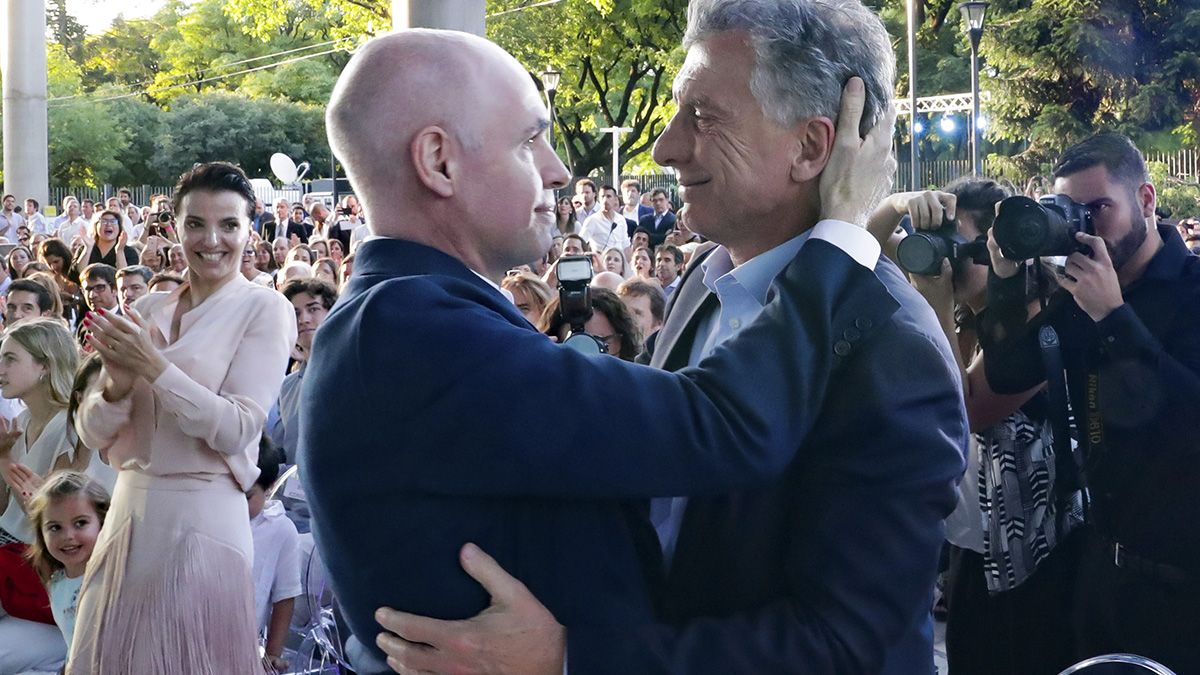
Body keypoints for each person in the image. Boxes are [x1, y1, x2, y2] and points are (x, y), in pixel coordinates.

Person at [305, 25, 957, 675]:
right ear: (439, 163)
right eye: (531, 141)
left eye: (701, 117)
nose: (665, 147)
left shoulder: (891, 347)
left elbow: (846, 646)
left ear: (813, 146)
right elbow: (719, 424)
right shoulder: (410, 329)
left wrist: (570, 657)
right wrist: (841, 237)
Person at [982, 132, 1200, 672]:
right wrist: (1006, 281)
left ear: (1146, 200)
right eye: (1069, 210)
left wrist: (1115, 318)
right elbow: (1008, 374)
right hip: (1102, 575)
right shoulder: (1080, 297)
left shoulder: (1191, 290)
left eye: (1099, 207)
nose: (1084, 225)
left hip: (1185, 593)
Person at [69, 161, 295, 672]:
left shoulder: (265, 309)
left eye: (229, 224)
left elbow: (239, 428)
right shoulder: (145, 310)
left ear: (250, 229)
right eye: (196, 223)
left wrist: (152, 366)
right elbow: (90, 431)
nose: (211, 239)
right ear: (175, 227)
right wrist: (119, 386)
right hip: (128, 514)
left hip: (205, 515)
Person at [23, 471, 111, 662]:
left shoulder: (111, 578)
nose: (68, 536)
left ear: (102, 523)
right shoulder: (57, 583)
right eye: (55, 527)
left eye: (80, 523)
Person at [248, 439, 301, 675]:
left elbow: (285, 597)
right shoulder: (212, 517)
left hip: (244, 643)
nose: (236, 504)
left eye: (248, 497)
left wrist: (273, 654)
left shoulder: (281, 530)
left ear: (269, 488)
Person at [540, 287, 642, 360]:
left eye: (602, 342)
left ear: (623, 342)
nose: (589, 354)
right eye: (577, 342)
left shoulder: (636, 386)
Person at [69, 211, 136, 286]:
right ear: (95, 226)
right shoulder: (83, 249)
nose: (108, 224)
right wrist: (88, 248)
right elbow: (77, 275)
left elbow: (126, 279)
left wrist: (119, 251)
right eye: (104, 221)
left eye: (113, 221)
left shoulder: (129, 252)